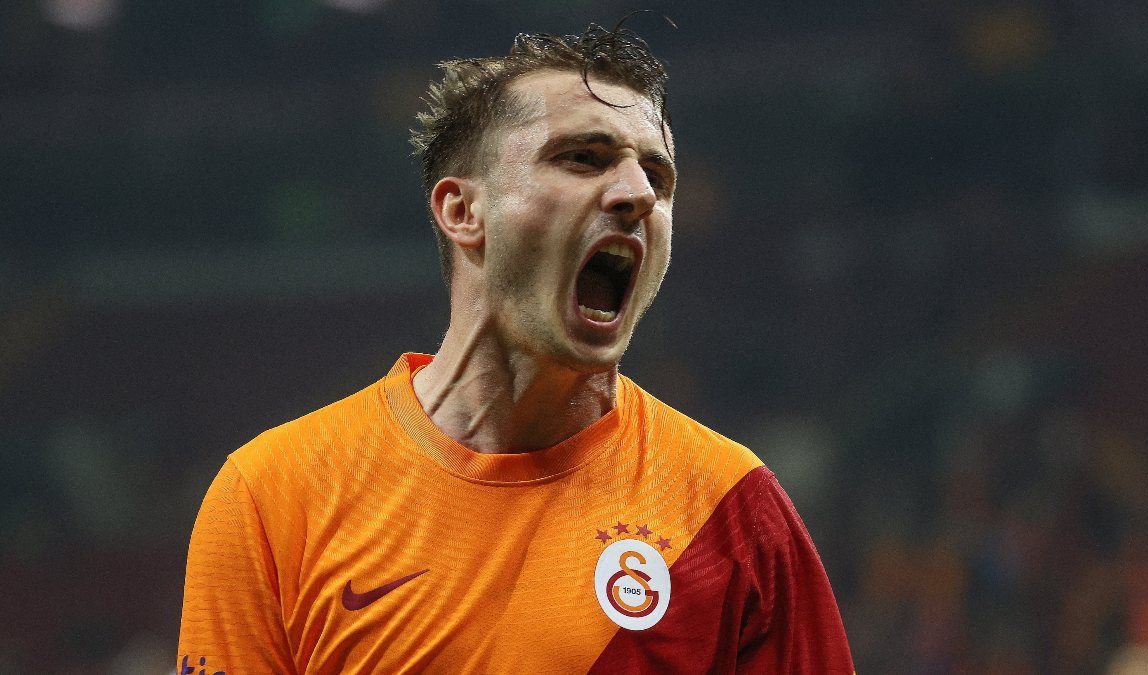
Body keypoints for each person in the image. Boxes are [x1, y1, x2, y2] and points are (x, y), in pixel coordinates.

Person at [178, 20, 854, 674]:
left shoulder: (731, 508)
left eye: (658, 175)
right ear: (462, 211)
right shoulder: (274, 494)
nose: (638, 194)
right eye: (582, 157)